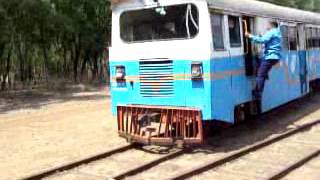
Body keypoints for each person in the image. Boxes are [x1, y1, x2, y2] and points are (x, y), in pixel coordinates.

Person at [245, 21, 282, 101]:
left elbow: (262, 40)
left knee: (260, 75)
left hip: (269, 56)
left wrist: (249, 36)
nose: (266, 27)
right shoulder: (277, 32)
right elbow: (268, 41)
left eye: (267, 25)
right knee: (260, 62)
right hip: (274, 57)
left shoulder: (271, 32)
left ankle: (258, 93)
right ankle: (265, 75)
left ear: (271, 25)